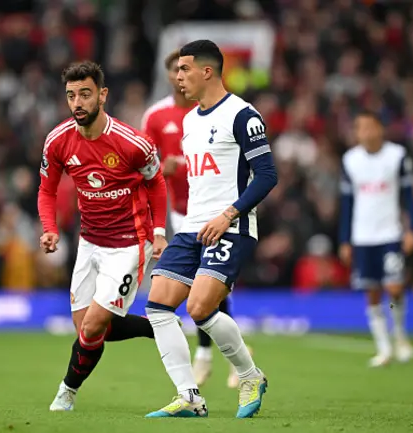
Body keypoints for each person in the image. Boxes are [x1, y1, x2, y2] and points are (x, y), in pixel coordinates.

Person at [144, 40, 277, 419]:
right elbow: (206, 172)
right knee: (158, 306)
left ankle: (250, 376)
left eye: (184, 69)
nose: (177, 77)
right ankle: (189, 396)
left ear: (207, 71)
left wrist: (229, 214)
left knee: (200, 308)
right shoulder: (189, 121)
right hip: (191, 226)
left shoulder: (242, 115)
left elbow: (268, 175)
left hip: (230, 226)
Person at [38, 61, 169, 411]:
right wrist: (50, 229)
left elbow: (156, 182)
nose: (77, 102)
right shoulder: (58, 140)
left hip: (129, 242)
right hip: (89, 241)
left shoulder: (132, 143)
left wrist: (158, 232)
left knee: (94, 326)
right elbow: (47, 190)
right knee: (91, 329)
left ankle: (66, 392)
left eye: (84, 94)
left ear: (102, 95)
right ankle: (157, 325)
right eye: (71, 96)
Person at [141, 48, 240, 388]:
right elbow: (143, 167)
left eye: (184, 69)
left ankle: (213, 358)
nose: (178, 77)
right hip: (177, 210)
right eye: (175, 71)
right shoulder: (157, 117)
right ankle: (215, 362)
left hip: (216, 212)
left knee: (208, 292)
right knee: (173, 296)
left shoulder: (224, 114)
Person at [339, 111, 413, 367]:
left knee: (394, 287)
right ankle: (383, 348)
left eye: (370, 127)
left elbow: (408, 196)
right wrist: (345, 240)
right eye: (361, 129)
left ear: (380, 129)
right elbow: (347, 203)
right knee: (371, 292)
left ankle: (401, 337)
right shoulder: (350, 160)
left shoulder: (397, 156)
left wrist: (411, 229)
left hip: (390, 233)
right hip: (363, 236)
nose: (366, 133)